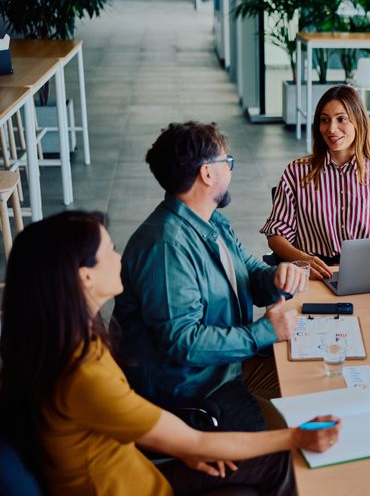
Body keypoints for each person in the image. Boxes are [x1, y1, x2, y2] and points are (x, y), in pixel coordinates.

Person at [0, 211, 340, 496]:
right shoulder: (82, 373)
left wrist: (186, 450)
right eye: (110, 251)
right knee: (280, 457)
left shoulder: (65, 342)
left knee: (266, 462)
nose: (120, 258)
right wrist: (297, 435)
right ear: (85, 277)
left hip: (139, 475)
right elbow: (194, 442)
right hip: (142, 488)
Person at [114, 121, 302, 431]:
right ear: (207, 173)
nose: (231, 171)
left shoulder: (212, 221)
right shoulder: (166, 247)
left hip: (225, 365)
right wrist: (264, 332)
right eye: (227, 162)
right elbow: (183, 343)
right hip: (192, 393)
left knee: (314, 375)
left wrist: (277, 277)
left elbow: (250, 275)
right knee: (291, 443)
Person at [261, 85, 370, 280]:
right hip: (314, 276)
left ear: (358, 121)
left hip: (366, 274)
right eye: (324, 120)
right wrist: (305, 260)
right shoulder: (297, 172)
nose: (331, 129)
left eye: (341, 119)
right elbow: (276, 235)